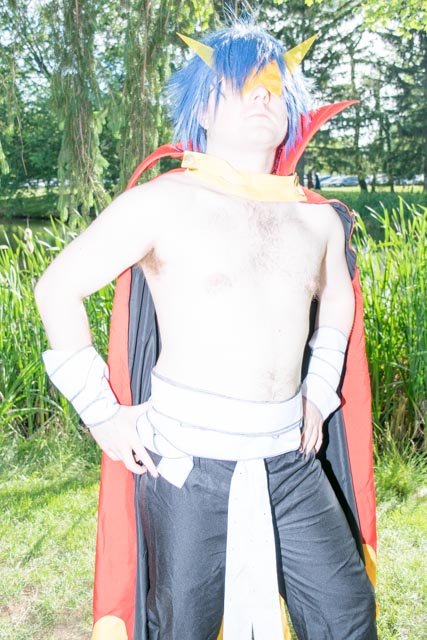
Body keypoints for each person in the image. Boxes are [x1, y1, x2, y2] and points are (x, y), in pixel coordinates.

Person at [35, 22, 377, 640]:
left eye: (275, 85)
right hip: (185, 466)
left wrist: (320, 388)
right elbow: (56, 288)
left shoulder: (320, 221)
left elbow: (336, 304)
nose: (263, 94)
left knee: (347, 613)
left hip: (291, 461)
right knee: (181, 628)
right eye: (243, 82)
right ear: (202, 106)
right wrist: (101, 414)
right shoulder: (162, 202)